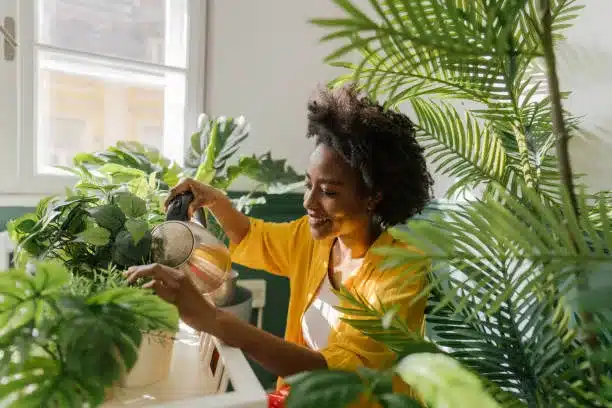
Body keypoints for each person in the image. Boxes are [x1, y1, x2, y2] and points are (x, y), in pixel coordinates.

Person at [125, 85, 434, 402]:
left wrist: (213, 319)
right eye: (308, 185)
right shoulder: (315, 240)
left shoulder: (402, 271)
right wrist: (215, 200)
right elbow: (251, 236)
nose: (309, 202)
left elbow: (339, 379)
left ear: (374, 196)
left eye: (328, 192)